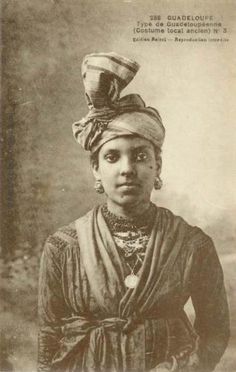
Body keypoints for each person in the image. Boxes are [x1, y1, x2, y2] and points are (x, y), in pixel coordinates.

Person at [38, 53, 230, 372]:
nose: (128, 169)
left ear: (157, 166)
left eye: (140, 156)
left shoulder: (193, 244)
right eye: (112, 157)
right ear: (96, 170)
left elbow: (214, 333)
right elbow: (48, 339)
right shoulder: (63, 247)